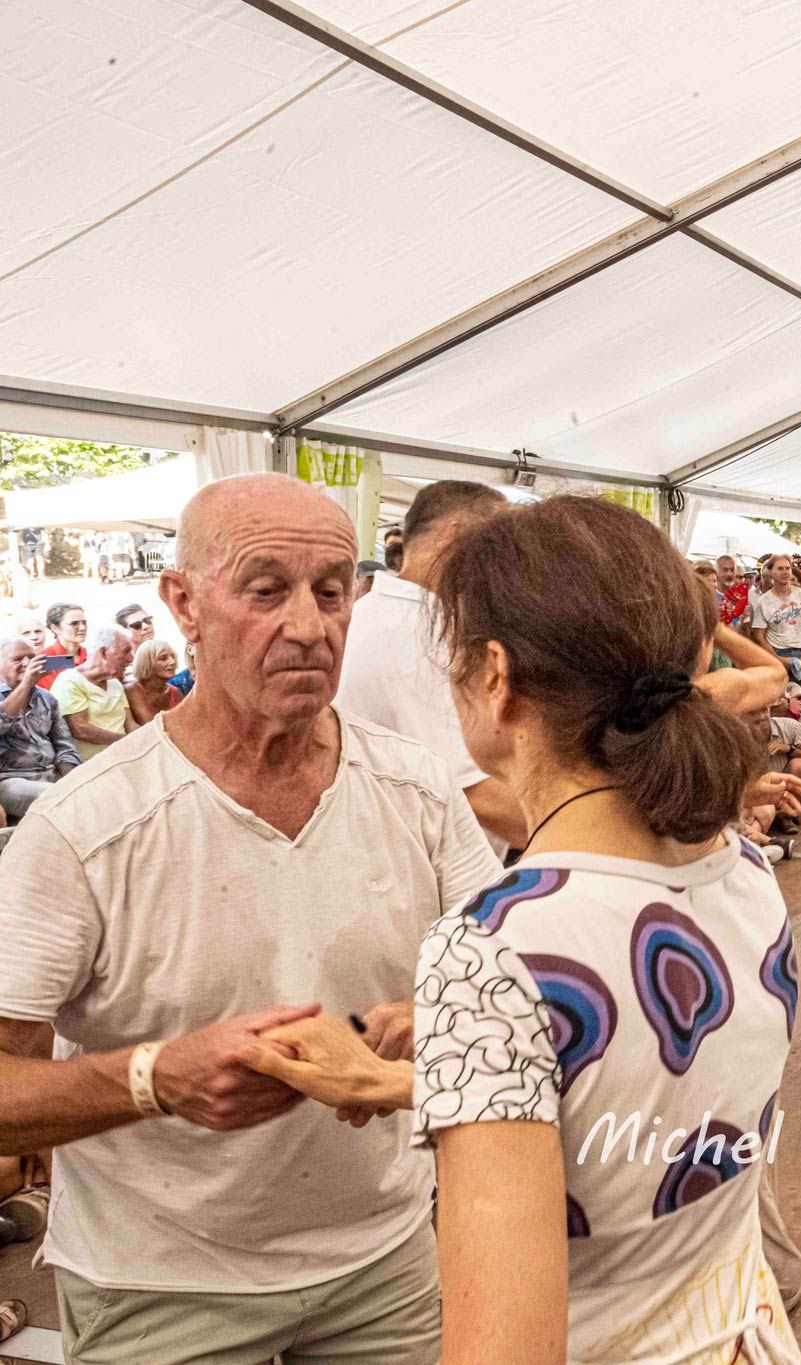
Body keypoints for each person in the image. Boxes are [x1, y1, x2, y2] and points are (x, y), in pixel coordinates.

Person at [244, 494, 801, 1365]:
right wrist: (424, 1082)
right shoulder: (743, 873)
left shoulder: (496, 947)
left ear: (495, 676)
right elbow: (629, 1108)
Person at [0, 473, 501, 1363]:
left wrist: (437, 1020)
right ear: (183, 603)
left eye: (332, 590)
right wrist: (154, 1078)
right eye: (266, 589)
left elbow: (501, 981)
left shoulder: (418, 788)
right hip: (159, 1282)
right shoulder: (84, 827)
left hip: (384, 1259)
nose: (309, 625)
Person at [335, 481, 529, 852]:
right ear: (455, 538)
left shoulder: (385, 612)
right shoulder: (416, 626)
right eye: (499, 544)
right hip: (425, 875)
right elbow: (474, 790)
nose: (506, 562)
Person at [0, 637, 78, 820]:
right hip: (9, 781)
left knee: (93, 791)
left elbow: (65, 745)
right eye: (17, 659)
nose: (27, 663)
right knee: (58, 798)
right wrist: (26, 684)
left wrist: (72, 779)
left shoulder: (46, 698)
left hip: (51, 776)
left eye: (31, 657)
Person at [52, 626, 135, 762]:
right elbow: (80, 729)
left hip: (124, 756)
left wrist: (151, 735)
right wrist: (127, 742)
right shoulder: (69, 681)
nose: (131, 658)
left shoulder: (114, 683)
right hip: (93, 764)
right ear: (103, 653)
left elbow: (130, 724)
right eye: (126, 651)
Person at [748, 554, 801, 683]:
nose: (785, 572)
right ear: (770, 572)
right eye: (780, 568)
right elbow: (759, 636)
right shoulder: (763, 601)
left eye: (787, 568)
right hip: (777, 653)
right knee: (781, 699)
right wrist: (778, 659)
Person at [124, 638, 185, 725]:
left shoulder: (175, 692)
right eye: (163, 658)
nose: (172, 662)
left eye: (173, 656)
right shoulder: (132, 690)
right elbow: (151, 726)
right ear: (146, 662)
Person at [37, 602, 86, 689]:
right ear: (55, 628)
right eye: (74, 624)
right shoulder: (42, 659)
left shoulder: (93, 655)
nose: (82, 628)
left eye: (84, 623)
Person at [715, 554, 750, 626]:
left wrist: (742, 617)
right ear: (716, 572)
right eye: (725, 570)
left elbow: (744, 629)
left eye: (732, 570)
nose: (729, 574)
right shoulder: (709, 596)